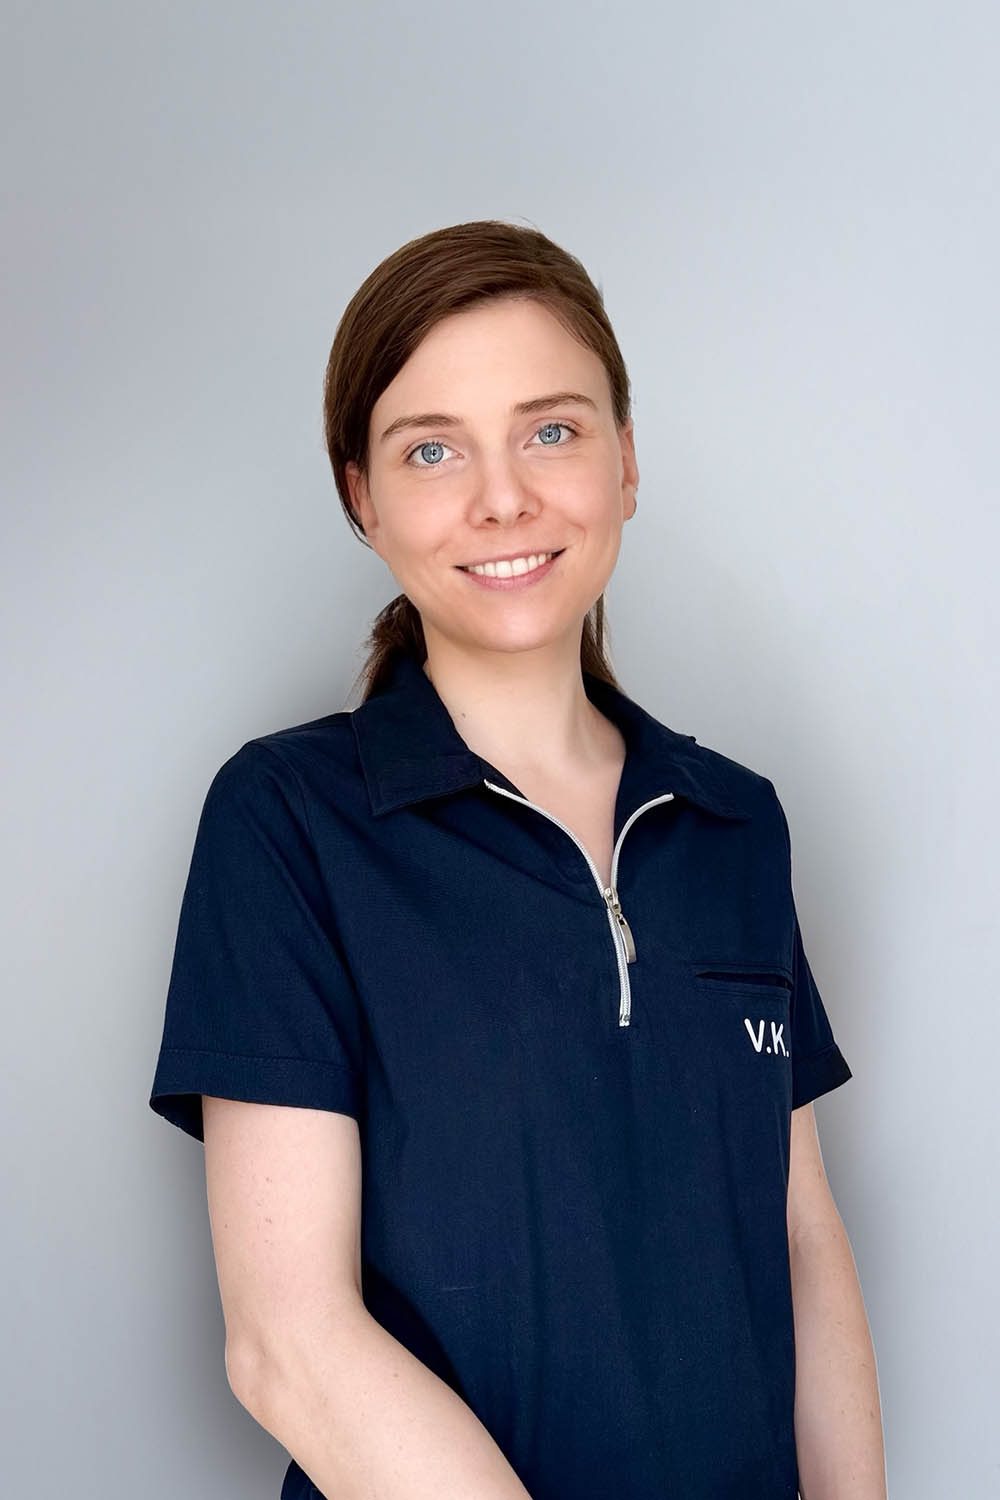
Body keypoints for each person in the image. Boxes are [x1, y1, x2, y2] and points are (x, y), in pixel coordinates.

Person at [149, 219, 887, 1500]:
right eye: (432, 449)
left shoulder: (734, 824)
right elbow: (288, 1346)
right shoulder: (287, 822)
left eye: (551, 431)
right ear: (362, 498)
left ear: (626, 461)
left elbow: (801, 1245)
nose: (503, 498)